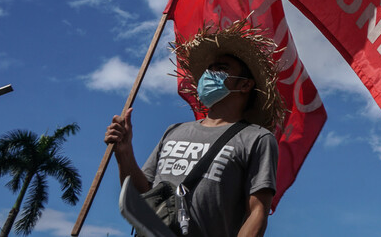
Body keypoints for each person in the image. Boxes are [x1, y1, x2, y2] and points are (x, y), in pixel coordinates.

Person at [105, 20, 283, 237]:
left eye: (221, 68)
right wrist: (124, 152)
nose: (210, 73)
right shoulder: (174, 131)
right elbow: (141, 196)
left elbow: (257, 211)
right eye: (210, 69)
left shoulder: (256, 138)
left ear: (245, 85)